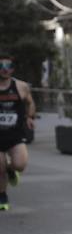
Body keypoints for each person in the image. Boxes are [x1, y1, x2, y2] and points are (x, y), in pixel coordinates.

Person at [0, 53, 36, 211]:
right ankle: (2, 195)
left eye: (8, 66)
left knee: (20, 164)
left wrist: (30, 117)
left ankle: (11, 169)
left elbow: (30, 102)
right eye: (1, 66)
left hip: (15, 134)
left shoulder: (21, 87)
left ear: (13, 69)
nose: (4, 70)